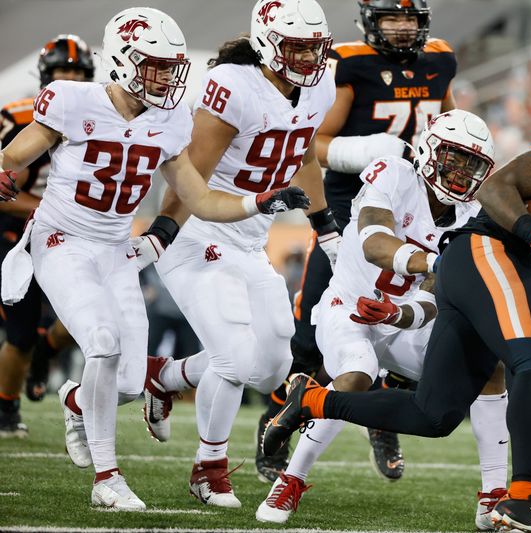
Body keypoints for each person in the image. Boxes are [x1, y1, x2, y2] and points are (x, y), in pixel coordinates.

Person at [261, 94, 531, 533]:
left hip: (484, 276)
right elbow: (496, 188)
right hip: (487, 250)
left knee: (434, 416)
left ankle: (312, 401)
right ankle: (521, 499)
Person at [0, 6, 308, 511]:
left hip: (117, 249)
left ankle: (77, 400)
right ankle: (107, 479)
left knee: (124, 379)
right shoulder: (72, 100)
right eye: (154, 64)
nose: (165, 75)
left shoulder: (170, 119)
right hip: (62, 238)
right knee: (101, 342)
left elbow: (201, 199)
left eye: (171, 65)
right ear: (122, 61)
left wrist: (261, 200)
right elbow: (14, 155)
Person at [256, 110, 509, 530]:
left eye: (472, 165)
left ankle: (492, 496)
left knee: (488, 362)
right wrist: (439, 260)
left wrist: (401, 314)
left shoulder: (470, 215)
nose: (462, 173)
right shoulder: (394, 171)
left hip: (398, 318)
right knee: (357, 375)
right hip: (349, 309)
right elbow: (376, 242)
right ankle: (290, 479)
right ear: (429, 149)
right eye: (455, 158)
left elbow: (431, 297)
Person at [134, 0, 336, 513]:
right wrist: (163, 232)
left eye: (316, 47)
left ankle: (164, 376)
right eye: (297, 47)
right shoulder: (233, 86)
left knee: (270, 368)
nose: (310, 59)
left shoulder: (317, 85)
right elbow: (189, 176)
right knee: (232, 356)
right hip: (198, 229)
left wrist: (323, 222)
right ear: (268, 44)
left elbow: (304, 150)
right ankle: (209, 468)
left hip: (250, 240)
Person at [256, 0, 458, 483]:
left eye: (410, 16)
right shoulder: (349, 64)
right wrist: (367, 149)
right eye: (392, 17)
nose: (403, 26)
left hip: (421, 209)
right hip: (356, 208)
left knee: (415, 319)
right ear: (372, 20)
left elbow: (447, 125)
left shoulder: (439, 60)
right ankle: (273, 424)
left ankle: (380, 421)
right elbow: (314, 142)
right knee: (315, 327)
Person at [0, 34, 94, 437]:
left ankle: (48, 349)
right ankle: (6, 407)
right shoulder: (19, 116)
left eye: (75, 71)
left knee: (88, 319)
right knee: (19, 331)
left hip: (77, 231)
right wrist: (47, 210)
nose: (69, 78)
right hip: (18, 231)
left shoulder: (106, 116)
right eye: (61, 71)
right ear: (46, 76)